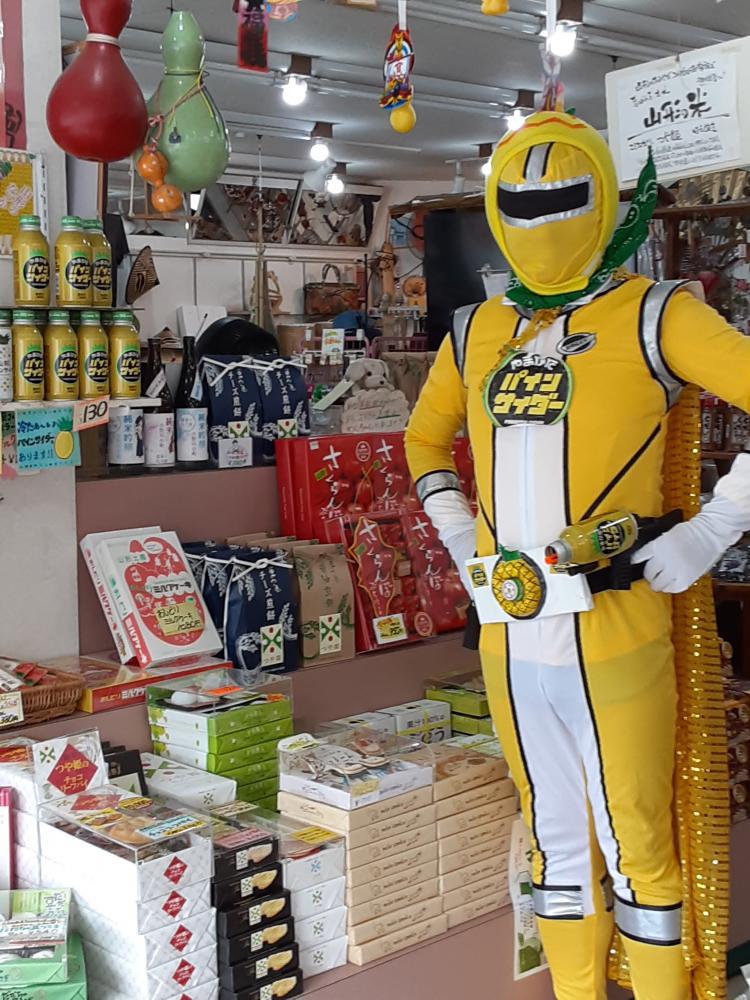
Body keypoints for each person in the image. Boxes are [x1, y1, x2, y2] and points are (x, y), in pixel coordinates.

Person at [405, 109, 749, 1000]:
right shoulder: (475, 329)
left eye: (560, 197)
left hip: (618, 627)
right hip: (510, 636)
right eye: (518, 202)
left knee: (638, 843)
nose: (539, 220)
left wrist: (712, 529)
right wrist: (458, 533)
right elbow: (423, 440)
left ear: (602, 199)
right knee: (554, 841)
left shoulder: (656, 315)